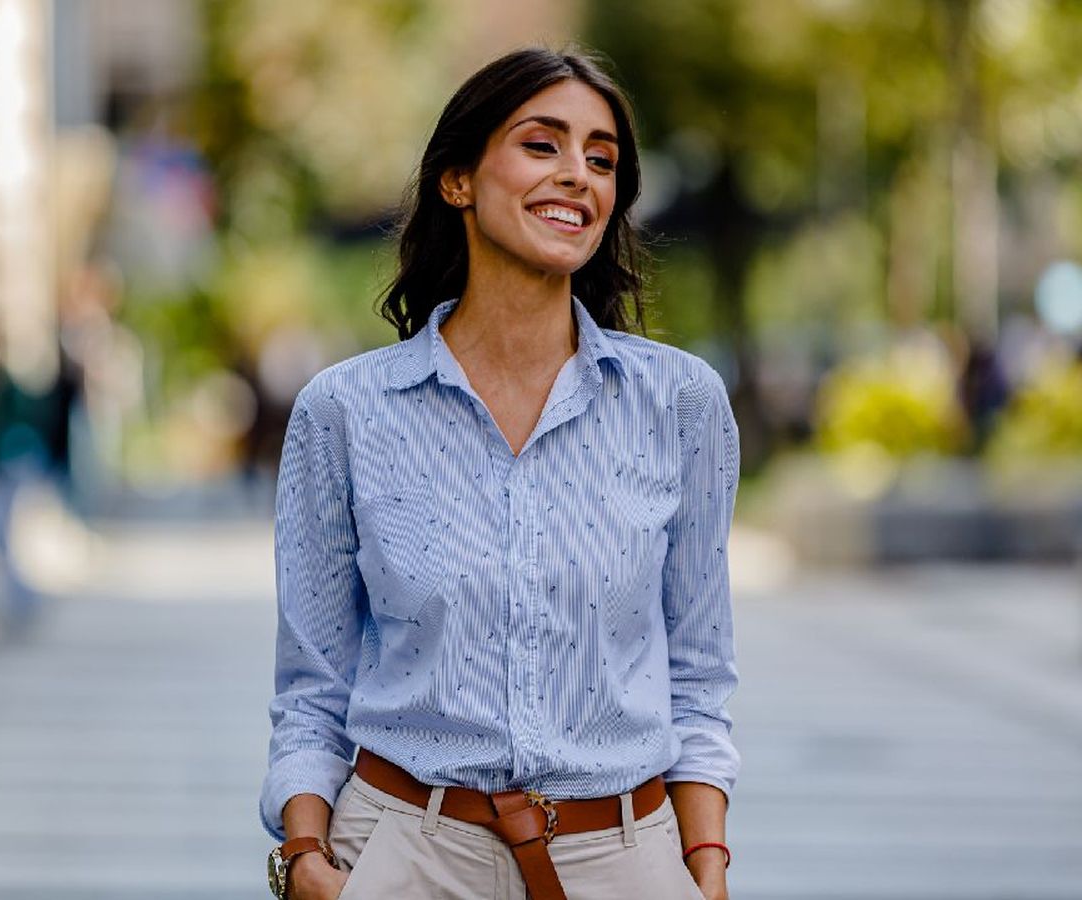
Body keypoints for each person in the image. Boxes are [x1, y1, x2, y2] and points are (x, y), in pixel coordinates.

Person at [261, 46, 738, 900]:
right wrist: (305, 861)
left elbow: (699, 675)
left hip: (626, 859)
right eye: (541, 144)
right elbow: (311, 686)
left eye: (601, 160)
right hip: (405, 852)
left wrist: (705, 869)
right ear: (458, 181)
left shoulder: (681, 405)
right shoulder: (345, 412)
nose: (577, 176)